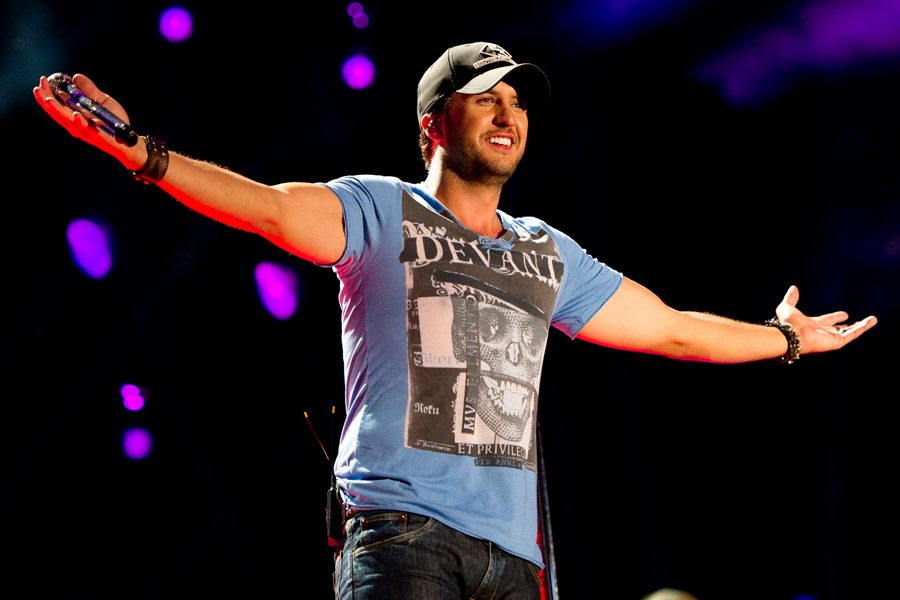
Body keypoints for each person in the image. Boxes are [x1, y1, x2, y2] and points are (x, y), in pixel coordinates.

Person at [34, 41, 877, 599]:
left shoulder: (547, 252)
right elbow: (263, 209)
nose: (509, 114)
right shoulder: (381, 210)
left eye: (518, 101)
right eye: (486, 99)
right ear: (435, 122)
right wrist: (138, 150)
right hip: (403, 539)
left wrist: (788, 339)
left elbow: (673, 328)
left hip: (516, 563)